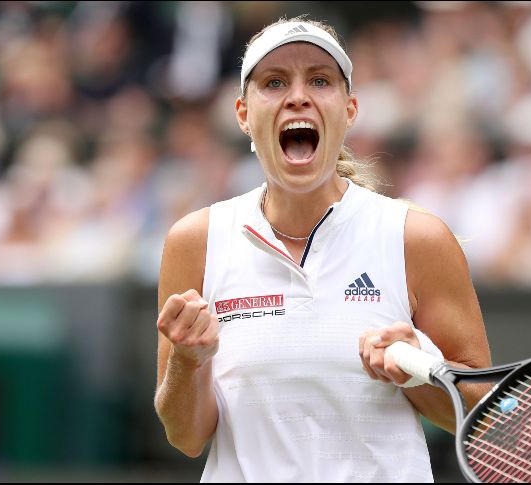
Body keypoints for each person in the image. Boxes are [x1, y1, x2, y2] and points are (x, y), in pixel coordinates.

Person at [153, 16, 492, 482]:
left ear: (349, 110)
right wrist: (188, 363)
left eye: (319, 80)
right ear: (243, 114)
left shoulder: (417, 238)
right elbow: (186, 436)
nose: (298, 95)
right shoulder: (195, 240)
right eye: (274, 82)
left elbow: (483, 413)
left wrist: (418, 368)